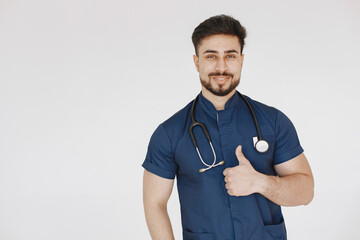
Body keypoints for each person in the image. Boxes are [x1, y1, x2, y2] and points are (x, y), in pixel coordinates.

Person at [142, 14, 314, 240]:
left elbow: (305, 192)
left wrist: (259, 182)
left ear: (241, 60)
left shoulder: (273, 122)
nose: (221, 67)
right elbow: (155, 203)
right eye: (211, 56)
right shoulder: (170, 133)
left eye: (230, 56)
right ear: (197, 62)